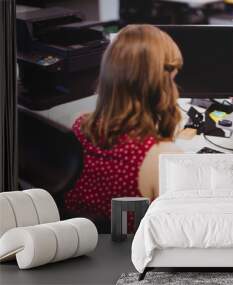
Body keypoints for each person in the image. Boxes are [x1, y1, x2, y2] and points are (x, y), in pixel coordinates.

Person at [64, 25, 183, 232]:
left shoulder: (79, 126)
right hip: (129, 257)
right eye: (173, 78)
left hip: (82, 246)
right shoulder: (161, 157)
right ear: (161, 84)